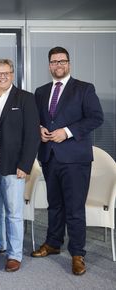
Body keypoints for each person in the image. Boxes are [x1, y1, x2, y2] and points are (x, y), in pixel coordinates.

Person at [31, 47, 103, 275]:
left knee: (74, 208)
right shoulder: (41, 91)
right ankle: (53, 243)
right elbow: (36, 119)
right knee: (55, 205)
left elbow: (96, 117)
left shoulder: (84, 89)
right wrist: (40, 129)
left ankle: (77, 253)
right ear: (49, 65)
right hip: (50, 157)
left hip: (75, 160)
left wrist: (68, 132)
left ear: (69, 63)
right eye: (54, 62)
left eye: (62, 61)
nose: (58, 65)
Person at [0, 59, 40, 272]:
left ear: (12, 74)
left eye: (6, 73)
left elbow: (33, 135)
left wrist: (25, 164)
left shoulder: (26, 98)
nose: (1, 76)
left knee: (13, 212)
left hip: (14, 166)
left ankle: (14, 255)